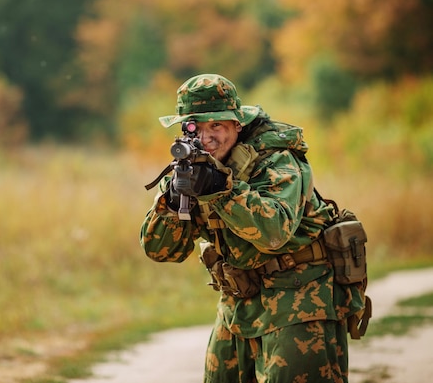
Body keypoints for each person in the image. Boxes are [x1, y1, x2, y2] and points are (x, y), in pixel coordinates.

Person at [140, 74, 367, 383]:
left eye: (216, 126)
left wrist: (222, 189)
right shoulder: (191, 166)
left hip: (299, 300)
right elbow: (161, 251)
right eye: (195, 127)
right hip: (239, 303)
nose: (205, 138)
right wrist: (172, 201)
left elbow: (274, 231)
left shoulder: (278, 160)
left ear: (237, 124)